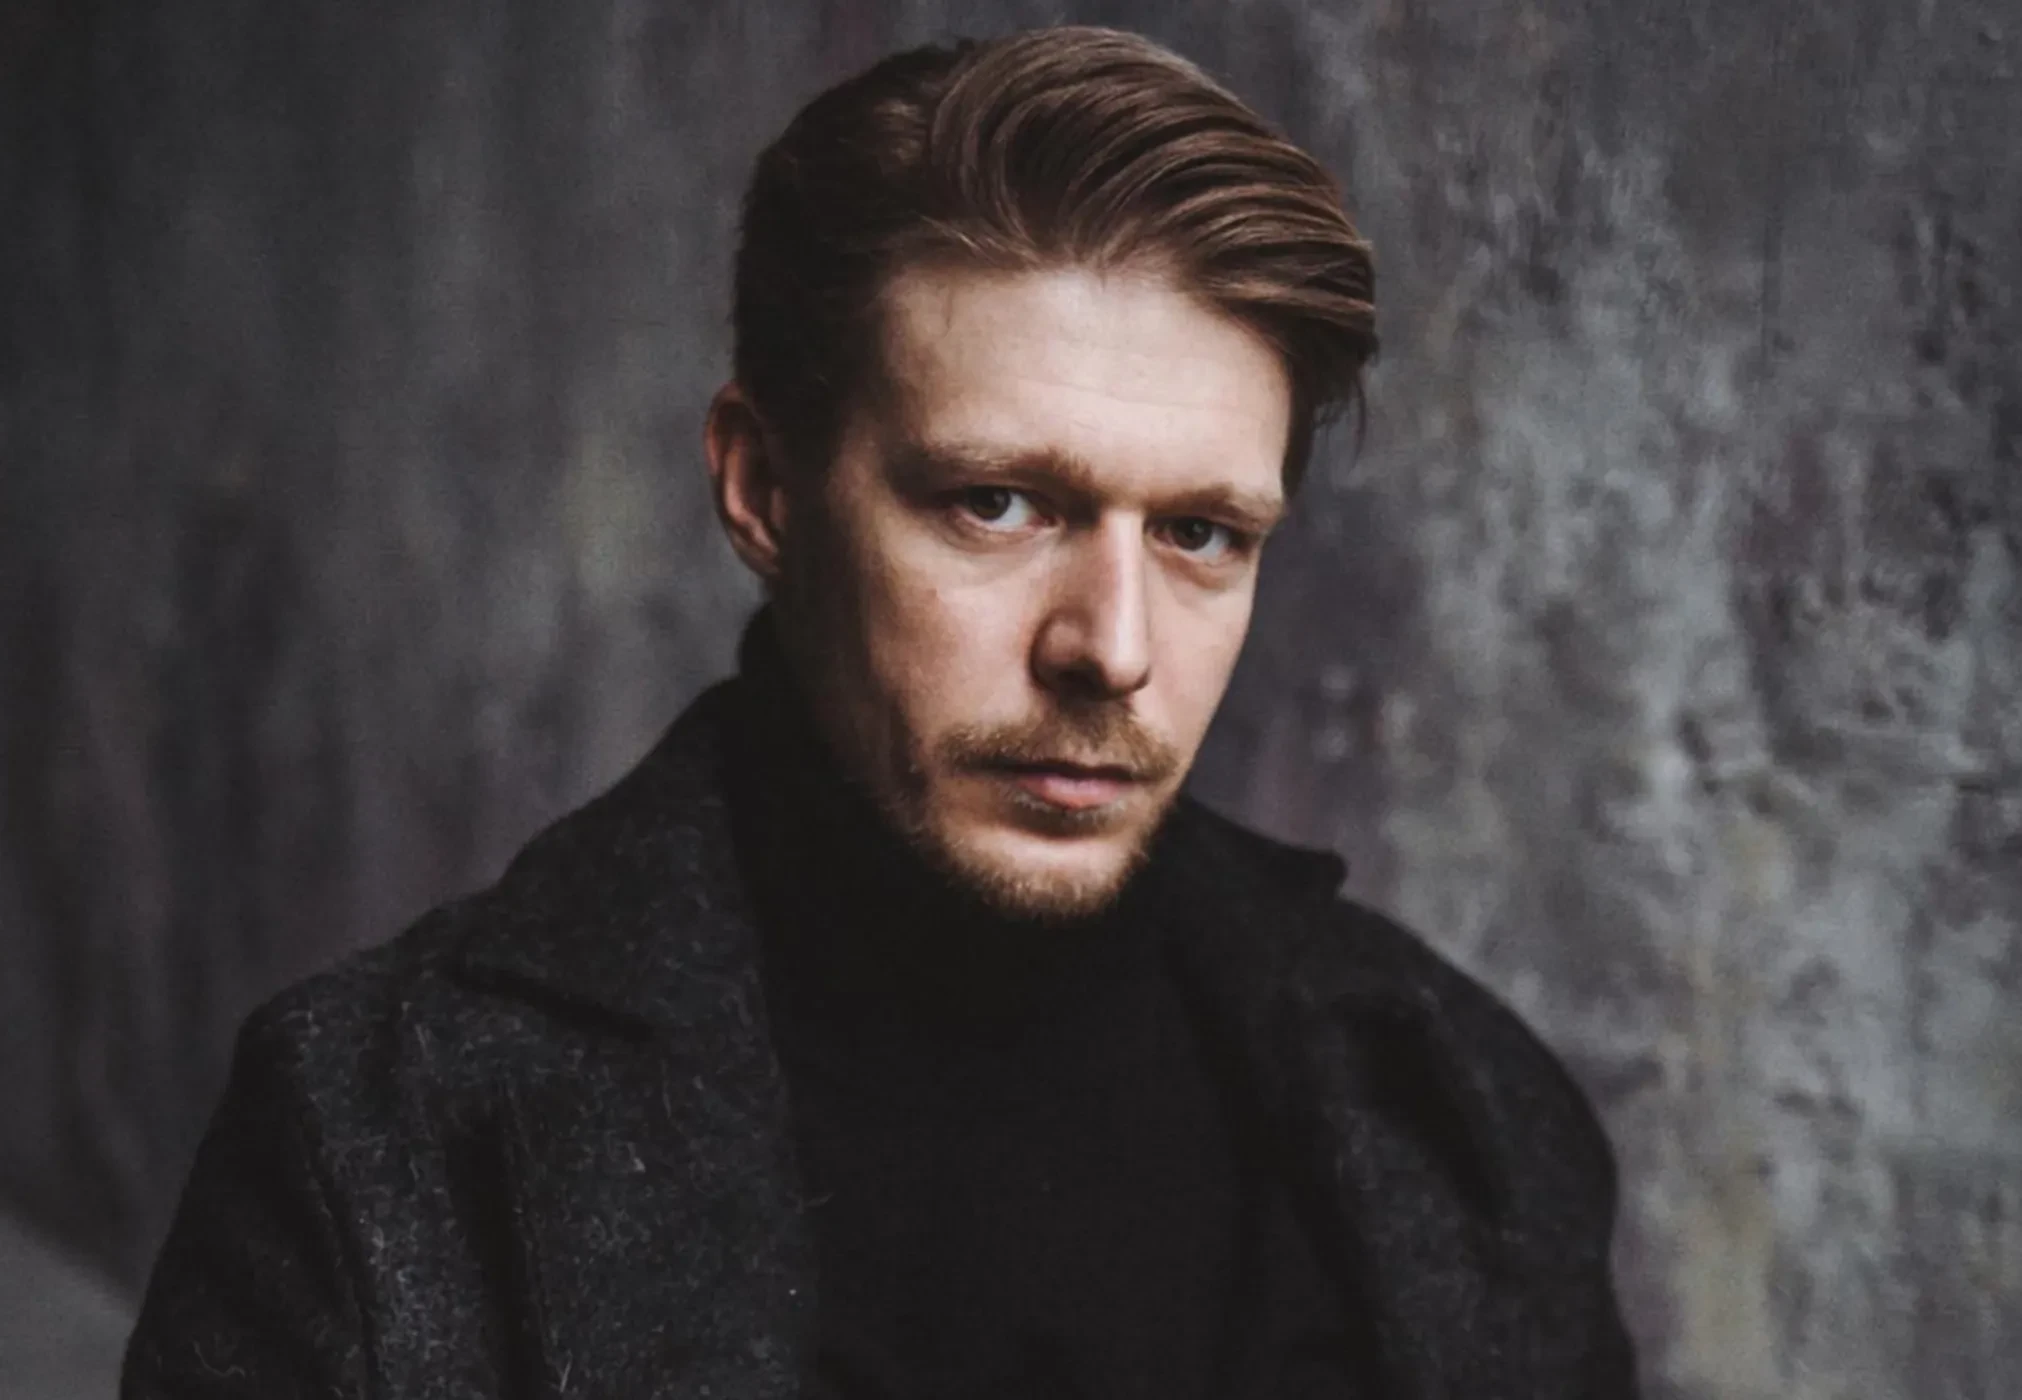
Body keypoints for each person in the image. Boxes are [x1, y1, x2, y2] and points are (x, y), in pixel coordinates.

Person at [124, 25, 1638, 1399]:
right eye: (997, 503)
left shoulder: (1462, 1110)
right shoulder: (375, 1133)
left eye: (1199, 534)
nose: (1112, 649)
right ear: (764, 489)